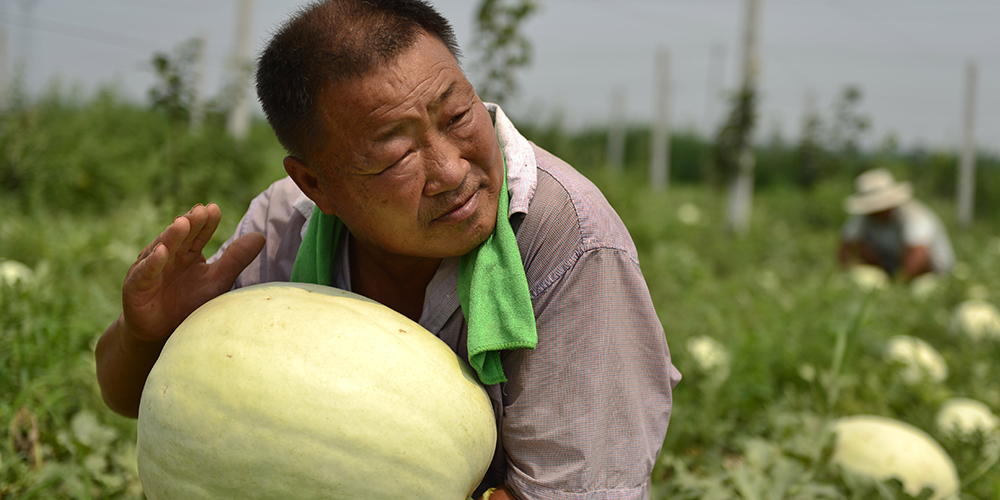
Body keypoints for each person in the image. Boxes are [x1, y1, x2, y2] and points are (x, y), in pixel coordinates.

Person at [95, 1, 680, 498]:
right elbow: (148, 407)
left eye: (458, 116)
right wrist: (149, 334)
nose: (451, 173)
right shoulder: (282, 226)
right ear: (315, 185)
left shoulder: (570, 241)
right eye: (396, 156)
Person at [838, 168, 955, 280]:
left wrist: (898, 284)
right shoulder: (865, 216)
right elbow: (847, 245)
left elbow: (919, 256)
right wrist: (849, 273)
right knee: (860, 245)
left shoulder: (915, 215)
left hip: (935, 272)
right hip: (894, 266)